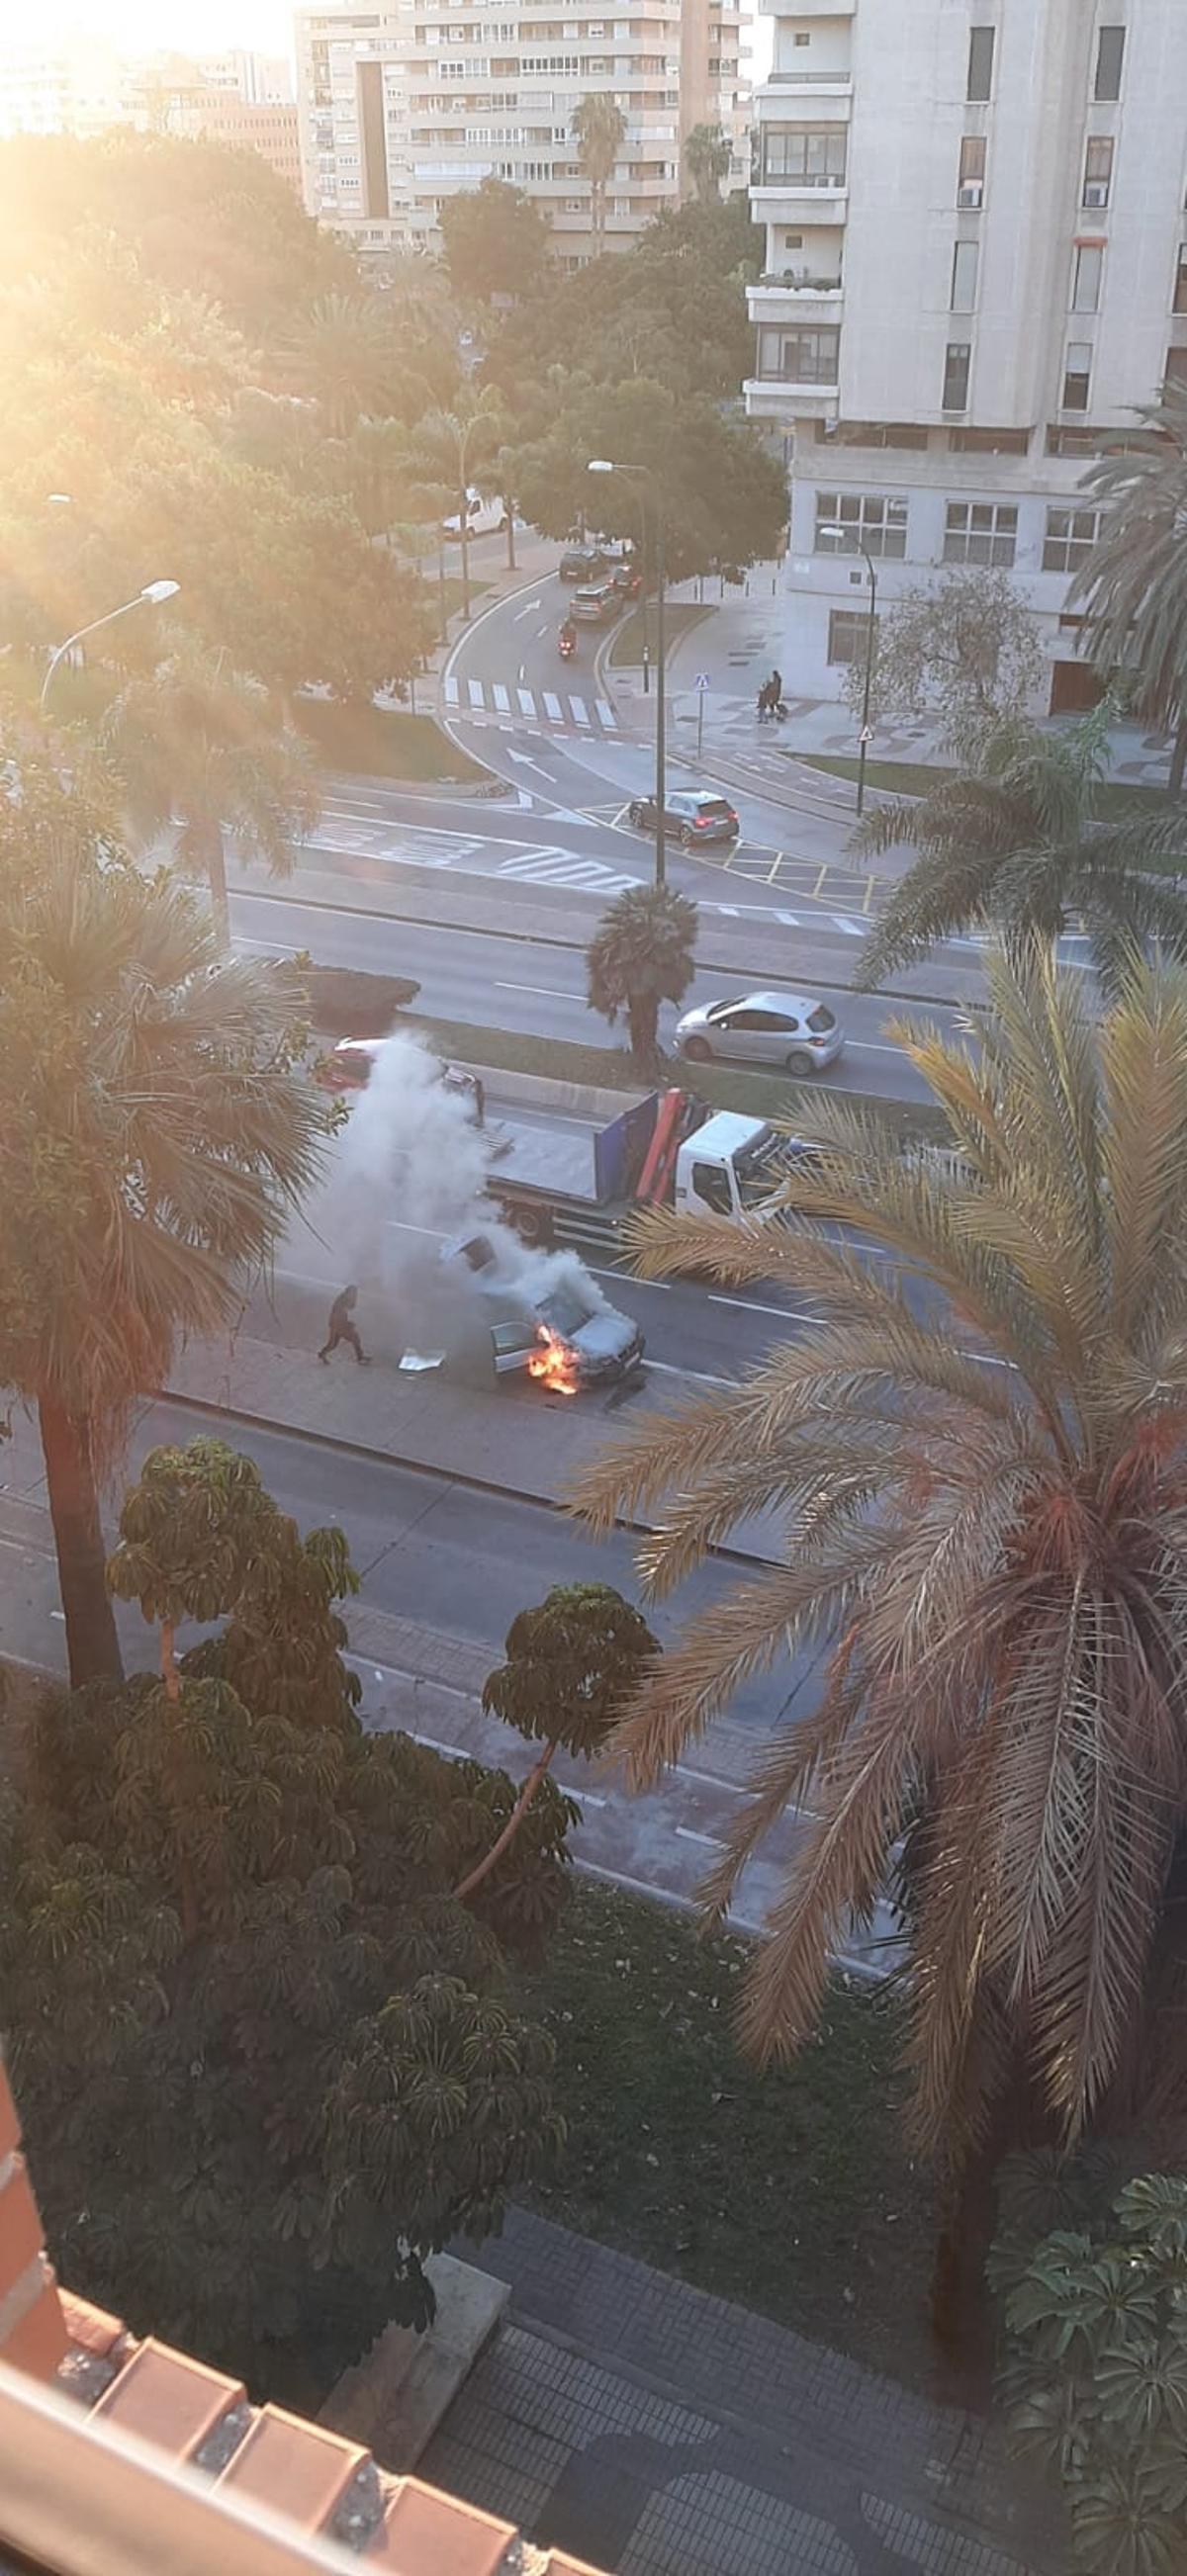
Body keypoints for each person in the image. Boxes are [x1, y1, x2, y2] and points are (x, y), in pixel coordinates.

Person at [319, 1285, 370, 1366]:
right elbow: (339, 1314)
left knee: (333, 1344)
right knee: (355, 1338)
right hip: (338, 1325)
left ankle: (322, 1354)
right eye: (354, 1293)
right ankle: (360, 1357)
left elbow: (351, 1307)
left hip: (336, 1324)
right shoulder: (342, 1301)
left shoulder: (344, 1299)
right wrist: (347, 1324)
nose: (355, 1294)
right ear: (349, 1292)